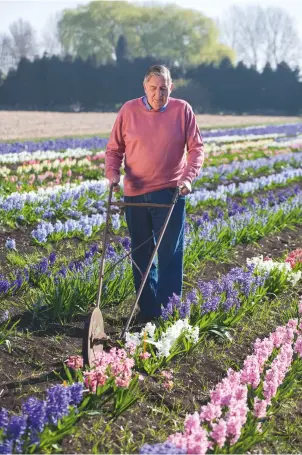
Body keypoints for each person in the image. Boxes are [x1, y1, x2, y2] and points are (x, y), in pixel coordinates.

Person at [105, 64, 204, 323]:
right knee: (141, 254)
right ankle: (148, 311)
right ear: (144, 87)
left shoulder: (182, 110)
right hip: (135, 193)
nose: (158, 94)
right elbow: (114, 150)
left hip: (170, 192)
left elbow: (196, 149)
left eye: (163, 88)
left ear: (171, 87)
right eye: (153, 88)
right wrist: (112, 174)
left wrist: (188, 178)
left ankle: (168, 313)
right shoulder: (128, 110)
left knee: (170, 253)